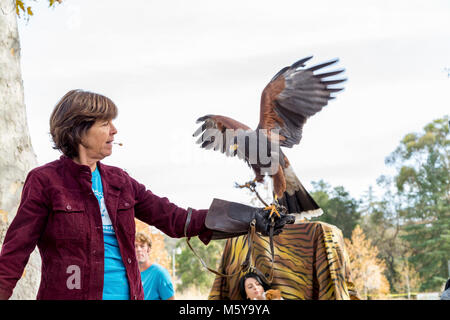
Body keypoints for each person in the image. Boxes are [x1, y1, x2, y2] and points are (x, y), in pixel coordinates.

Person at [0, 89, 294, 300]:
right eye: (105, 124)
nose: (114, 131)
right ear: (78, 130)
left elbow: (178, 219)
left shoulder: (120, 182)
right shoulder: (45, 181)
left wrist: (251, 218)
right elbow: (14, 253)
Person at [135, 232, 174, 300]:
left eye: (142, 246)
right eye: (135, 246)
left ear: (148, 250)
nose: (138, 249)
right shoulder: (129, 274)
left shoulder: (160, 273)